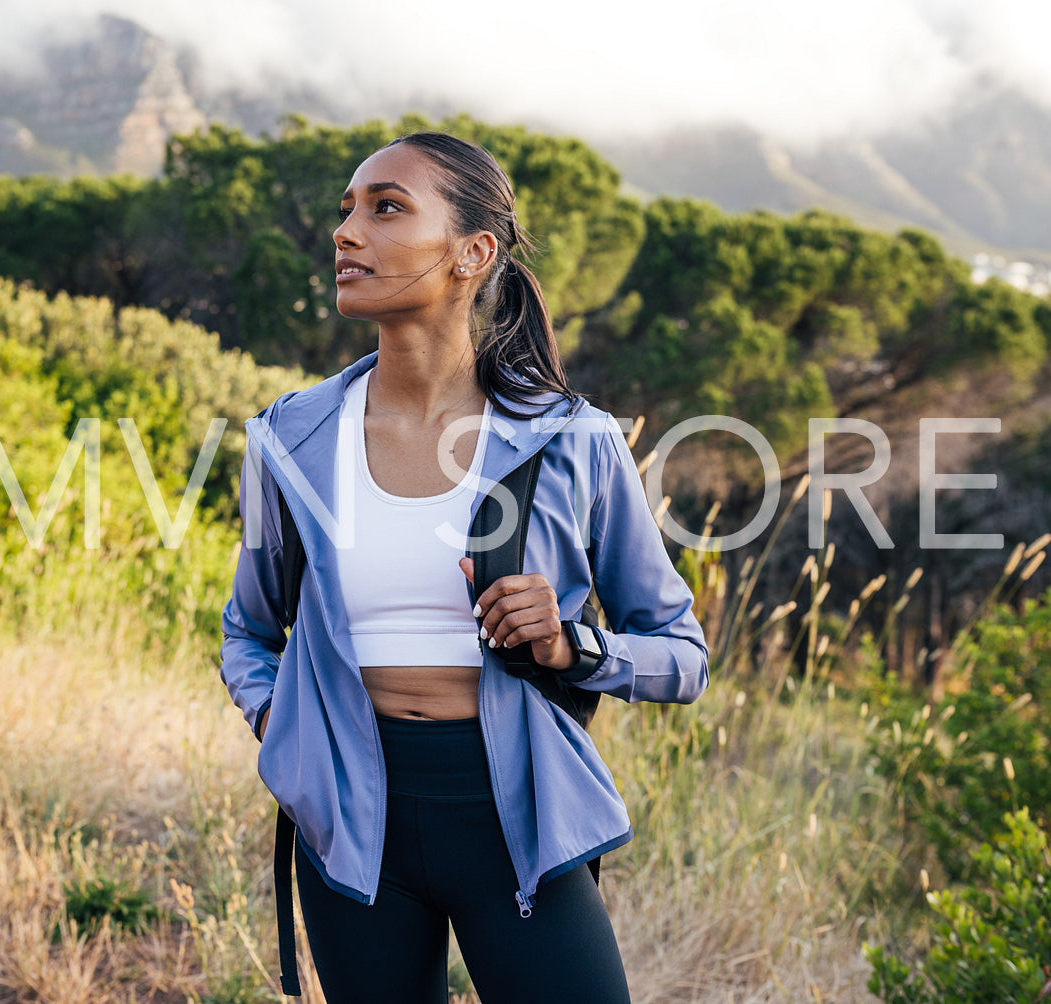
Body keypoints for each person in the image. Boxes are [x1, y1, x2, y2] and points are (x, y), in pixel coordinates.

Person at [219, 131, 709, 1004]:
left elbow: (681, 652)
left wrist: (570, 648)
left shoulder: (570, 439)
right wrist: (284, 728)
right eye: (346, 210)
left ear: (471, 254)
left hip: (517, 815)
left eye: (387, 207)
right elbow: (249, 630)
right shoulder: (290, 438)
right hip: (349, 824)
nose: (346, 232)